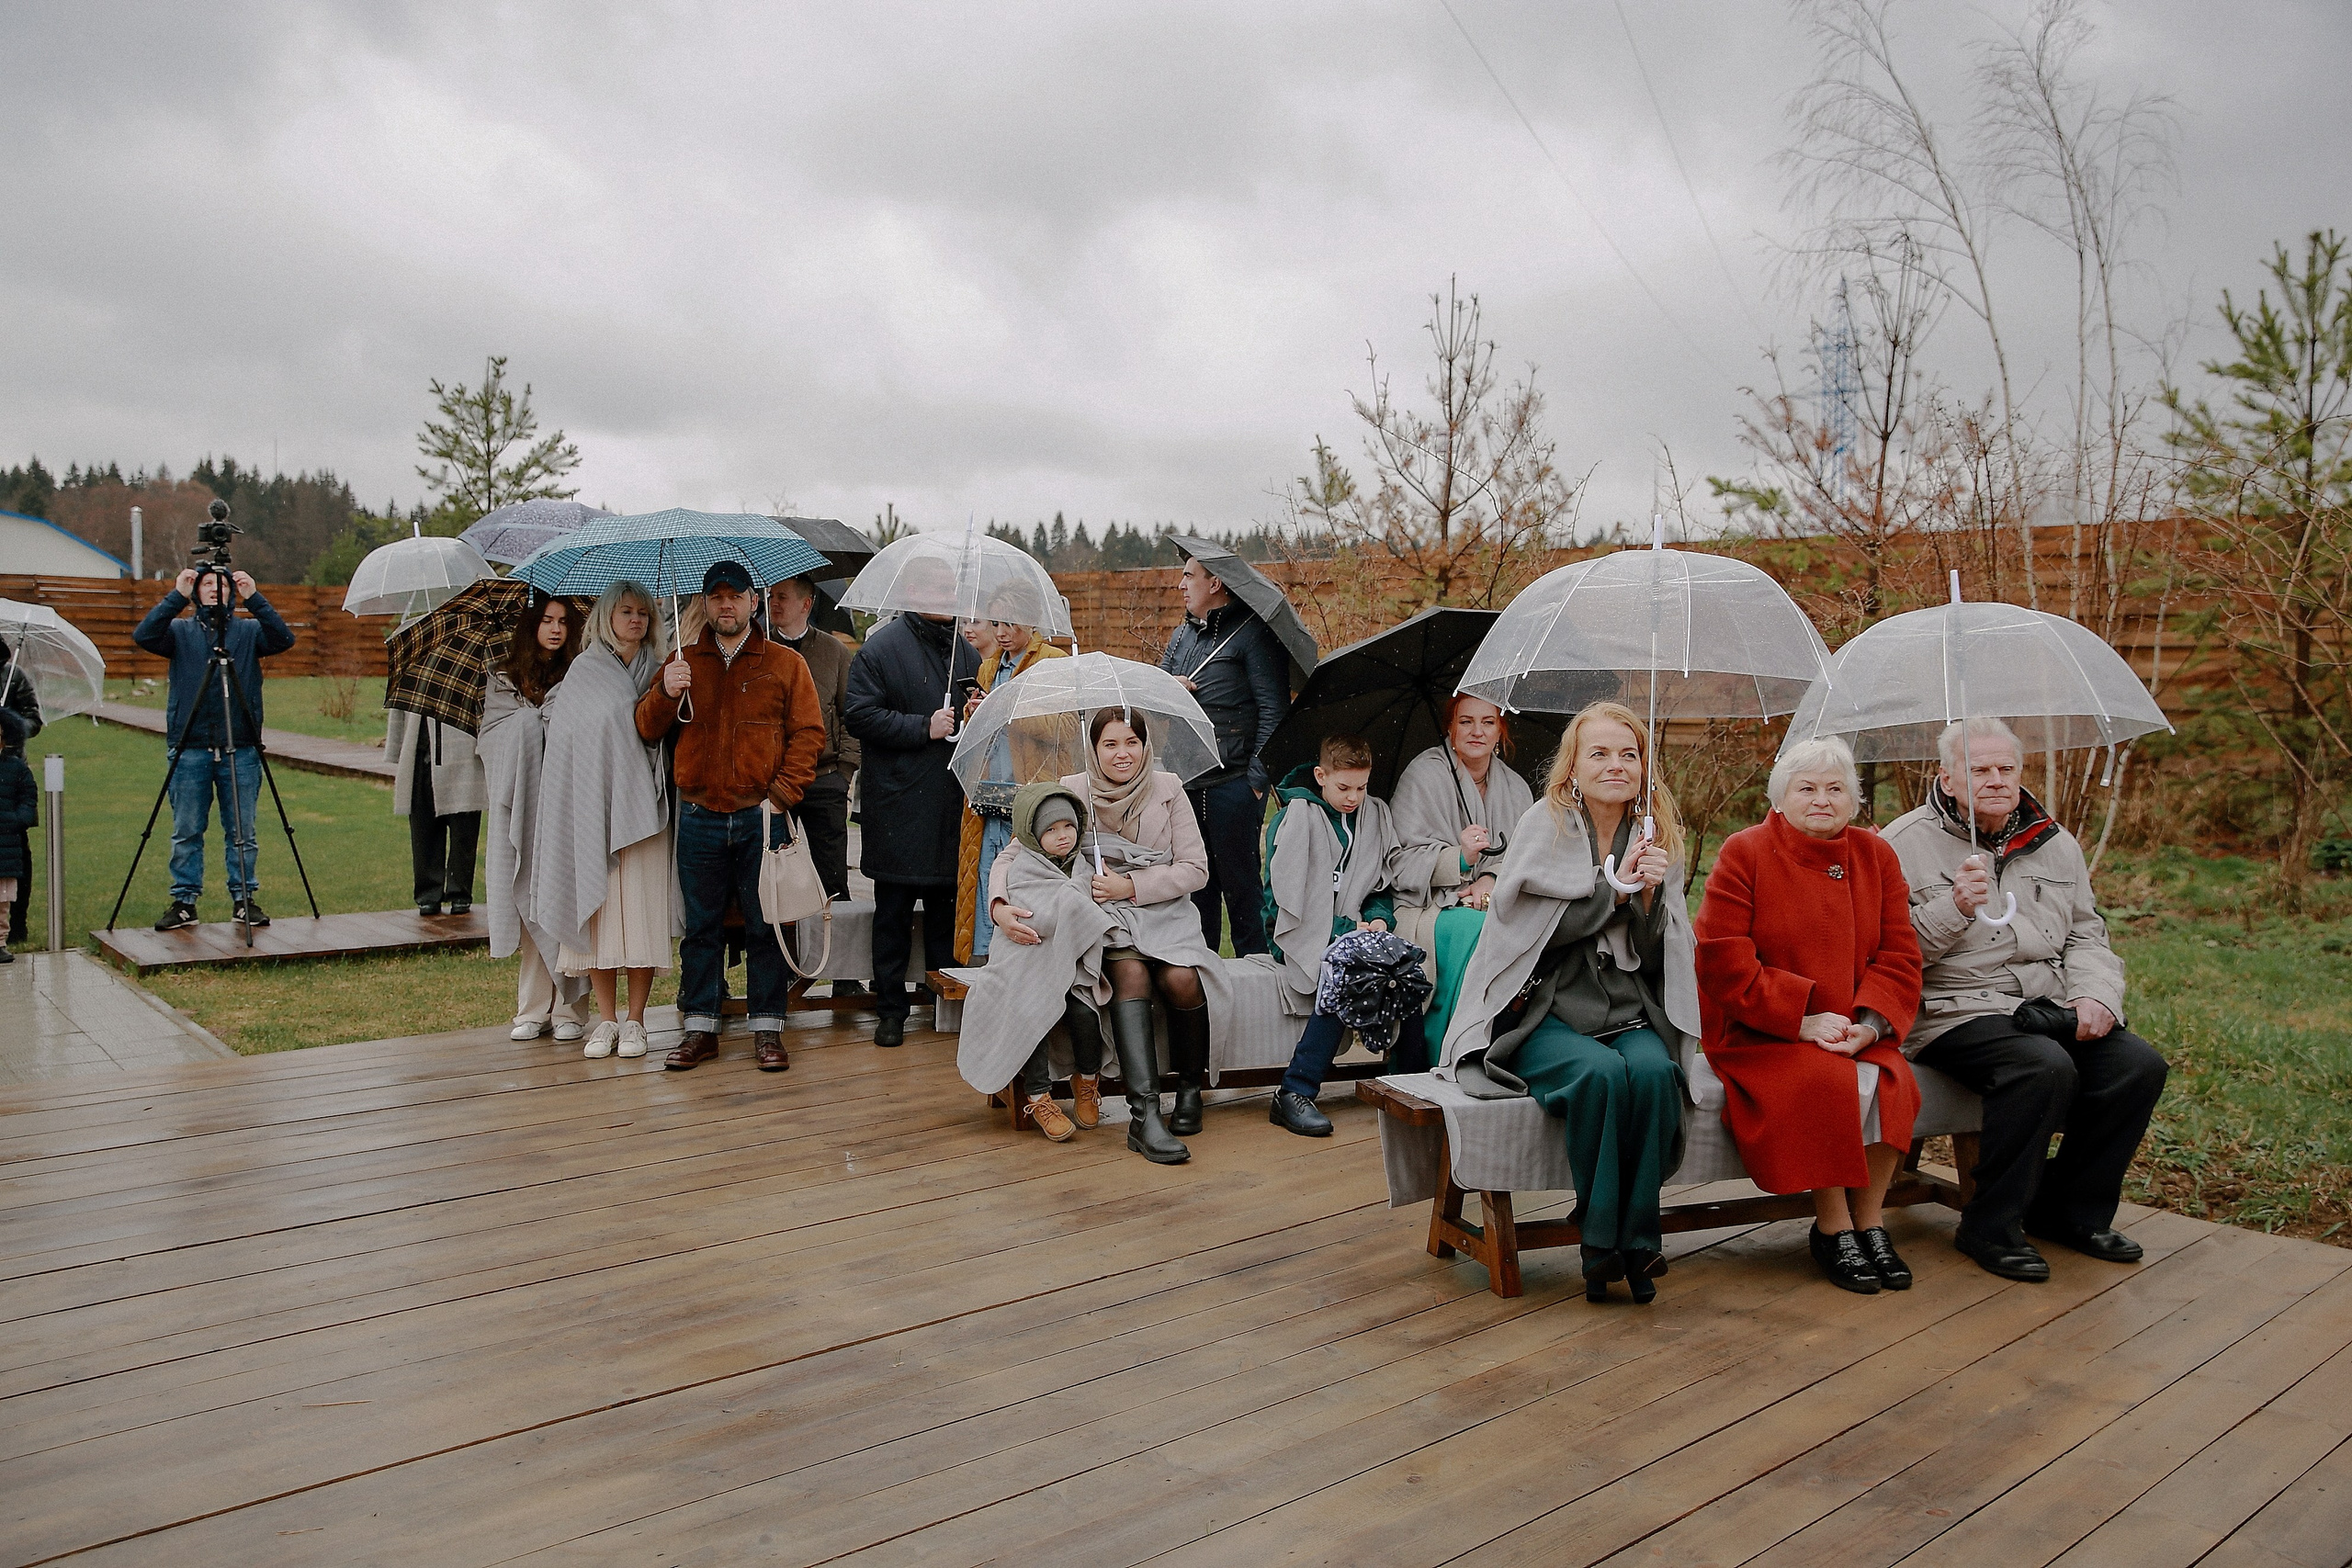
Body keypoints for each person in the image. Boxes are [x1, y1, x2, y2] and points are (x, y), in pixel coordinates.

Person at [1884, 716, 2167, 1282]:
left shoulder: (2055, 843)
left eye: (2005, 768)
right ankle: (1990, 1226)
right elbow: (1887, 954)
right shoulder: (1901, 844)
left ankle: (2068, 1212)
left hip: (2043, 1004)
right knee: (2042, 1066)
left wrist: (2095, 996)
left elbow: (2087, 932)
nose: (1995, 779)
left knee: (2138, 1066)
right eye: (1978, 769)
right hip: (1951, 1011)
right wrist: (1954, 908)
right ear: (1946, 779)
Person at [1435, 702, 1698, 1304]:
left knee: (1657, 1073)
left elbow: (1659, 960)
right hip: (1541, 1008)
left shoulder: (1657, 833)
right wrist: (1616, 888)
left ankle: (1640, 1240)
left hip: (1626, 1005)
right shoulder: (1543, 823)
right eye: (1599, 753)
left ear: (1644, 767)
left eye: (1629, 754)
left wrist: (1652, 898)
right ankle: (1600, 1244)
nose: (1616, 765)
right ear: (1572, 768)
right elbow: (1530, 934)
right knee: (1600, 1075)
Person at [1694, 738, 1926, 1294]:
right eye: (1806, 788)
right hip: (1762, 1027)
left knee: (1896, 1082)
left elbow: (1900, 951)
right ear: (1780, 798)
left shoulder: (1877, 856)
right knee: (1823, 1080)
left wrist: (1870, 1023)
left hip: (1853, 1025)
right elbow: (1721, 957)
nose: (1821, 799)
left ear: (1853, 799)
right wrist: (1800, 1021)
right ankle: (1833, 1226)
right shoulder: (1744, 852)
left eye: (1834, 788)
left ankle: (1871, 1222)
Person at [991, 709, 1213, 1150]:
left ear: (1146, 745)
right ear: (1093, 749)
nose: (1122, 754)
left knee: (1182, 979)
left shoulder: (1168, 789)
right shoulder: (1073, 791)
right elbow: (1011, 856)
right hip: (1107, 922)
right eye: (1109, 744)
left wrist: (1130, 884)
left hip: (1164, 911)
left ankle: (1190, 1090)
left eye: (1132, 742)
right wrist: (999, 907)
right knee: (1130, 975)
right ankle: (1144, 1115)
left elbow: (1196, 869)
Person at [638, 561, 828, 1074]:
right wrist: (666, 690)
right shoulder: (682, 662)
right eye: (717, 596)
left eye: (736, 596)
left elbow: (809, 734)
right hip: (698, 815)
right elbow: (647, 727)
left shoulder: (786, 664)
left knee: (767, 923)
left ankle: (768, 1028)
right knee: (702, 928)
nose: (726, 605)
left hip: (759, 817)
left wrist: (782, 796)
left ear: (752, 601)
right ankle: (700, 1027)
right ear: (705, 602)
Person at [531, 580, 673, 1061]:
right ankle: (606, 1020)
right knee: (601, 916)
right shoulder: (583, 673)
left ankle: (637, 1021)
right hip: (595, 810)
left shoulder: (663, 669)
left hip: (647, 815)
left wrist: (673, 694)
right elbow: (571, 750)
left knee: (641, 916)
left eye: (643, 613)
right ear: (606, 617)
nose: (636, 620)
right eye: (626, 611)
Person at [842, 570, 981, 1046]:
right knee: (893, 918)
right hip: (898, 808)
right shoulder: (880, 649)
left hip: (947, 807)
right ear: (915, 594)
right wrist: (924, 727)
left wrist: (969, 715)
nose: (949, 599)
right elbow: (858, 714)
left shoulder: (966, 652)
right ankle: (890, 1011)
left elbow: (973, 716)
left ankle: (944, 1008)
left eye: (952, 592)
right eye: (939, 590)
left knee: (946, 917)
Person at [132, 566, 297, 931]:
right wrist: (177, 595)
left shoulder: (249, 631)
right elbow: (144, 634)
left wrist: (255, 597)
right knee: (187, 829)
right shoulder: (180, 631)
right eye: (206, 584)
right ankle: (184, 901)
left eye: (221, 585)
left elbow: (284, 639)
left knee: (242, 830)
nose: (213, 590)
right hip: (190, 746)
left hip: (240, 747)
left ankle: (244, 899)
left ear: (231, 593)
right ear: (197, 591)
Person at [1263, 733, 1402, 1137]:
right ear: (1321, 776)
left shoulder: (1374, 815)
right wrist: (1342, 930)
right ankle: (1294, 1091)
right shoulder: (1296, 816)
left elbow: (1380, 887)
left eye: (1362, 786)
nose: (1353, 797)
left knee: (1408, 966)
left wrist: (1378, 918)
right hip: (1296, 933)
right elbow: (1281, 899)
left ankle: (1406, 1077)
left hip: (1356, 929)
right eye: (1343, 787)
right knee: (1348, 967)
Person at [1388, 694, 1535, 1072]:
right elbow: (1397, 863)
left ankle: (1499, 1046)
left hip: (1495, 902)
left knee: (1529, 937)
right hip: (1424, 907)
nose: (1477, 731)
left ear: (1501, 730)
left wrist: (1490, 877)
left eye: (1488, 722)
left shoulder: (1516, 788)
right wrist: (1458, 858)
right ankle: (1443, 1053)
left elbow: (1528, 857)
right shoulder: (1423, 775)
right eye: (1466, 721)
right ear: (1449, 728)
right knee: (1478, 934)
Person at [1160, 554, 1288, 955]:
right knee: (1195, 896)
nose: (1181, 584)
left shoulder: (1253, 634)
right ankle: (1204, 997)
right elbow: (1150, 691)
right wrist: (1169, 686)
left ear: (1215, 583)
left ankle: (1257, 993)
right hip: (1183, 783)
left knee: (1242, 896)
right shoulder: (1182, 636)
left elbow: (1274, 711)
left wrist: (1254, 783)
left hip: (1232, 786)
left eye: (1188, 576)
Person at [481, 592, 588, 1043]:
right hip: (521, 808)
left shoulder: (583, 676)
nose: (556, 629)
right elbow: (490, 737)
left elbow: (589, 733)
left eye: (563, 621)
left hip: (566, 809)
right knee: (528, 905)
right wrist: (531, 726)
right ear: (532, 627)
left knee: (568, 903)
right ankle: (531, 1008)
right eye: (546, 620)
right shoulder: (504, 679)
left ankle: (570, 1010)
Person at [955, 591, 1070, 963]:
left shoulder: (1054, 662)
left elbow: (1067, 727)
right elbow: (983, 728)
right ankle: (989, 961)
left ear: (1031, 621)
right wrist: (976, 711)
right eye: (997, 623)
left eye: (1010, 623)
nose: (1002, 633)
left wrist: (1010, 709)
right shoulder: (989, 665)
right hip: (989, 792)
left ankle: (1031, 960)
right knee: (990, 879)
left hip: (1034, 793)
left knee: (1029, 880)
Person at [765, 576, 860, 905]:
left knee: (832, 876)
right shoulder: (760, 648)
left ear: (806, 604)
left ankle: (836, 951)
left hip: (824, 778)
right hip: (772, 782)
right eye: (771, 596)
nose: (774, 603)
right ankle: (785, 950)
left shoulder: (833, 652)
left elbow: (851, 714)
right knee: (774, 877)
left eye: (783, 597)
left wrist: (843, 773)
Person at [386, 709, 486, 917]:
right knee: (423, 828)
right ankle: (428, 895)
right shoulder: (410, 675)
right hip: (420, 753)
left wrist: (483, 745)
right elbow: (398, 707)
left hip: (463, 755)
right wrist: (396, 749)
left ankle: (460, 894)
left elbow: (484, 706)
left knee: (463, 832)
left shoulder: (471, 675)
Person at [0, 640, 37, 949]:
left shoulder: (13, 676)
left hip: (8, 771)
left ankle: (16, 923)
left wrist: (10, 726)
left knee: (14, 852)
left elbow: (33, 719)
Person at [0, 709, 33, 964]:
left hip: (6, 844)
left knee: (2, 900)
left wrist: (16, 820)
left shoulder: (16, 769)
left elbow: (28, 799)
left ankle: (0, 941)